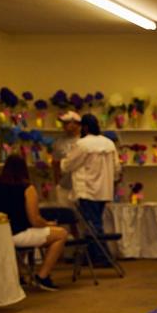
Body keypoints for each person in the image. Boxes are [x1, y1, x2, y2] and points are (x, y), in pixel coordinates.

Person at [0, 154, 68, 291]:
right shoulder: (27, 188)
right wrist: (48, 224)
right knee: (61, 234)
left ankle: (19, 274)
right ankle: (42, 276)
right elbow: (34, 219)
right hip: (17, 233)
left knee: (24, 242)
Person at [62, 114, 120, 265]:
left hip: (87, 189)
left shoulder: (82, 144)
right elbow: (116, 168)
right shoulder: (109, 143)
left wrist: (61, 162)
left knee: (92, 224)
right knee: (94, 222)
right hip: (104, 190)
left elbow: (68, 164)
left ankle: (103, 257)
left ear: (85, 127)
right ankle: (92, 256)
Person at [52, 111, 82, 205]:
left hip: (82, 188)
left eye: (67, 123)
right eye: (63, 123)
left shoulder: (84, 141)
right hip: (64, 186)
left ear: (76, 124)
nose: (64, 126)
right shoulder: (59, 142)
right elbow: (55, 163)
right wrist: (57, 183)